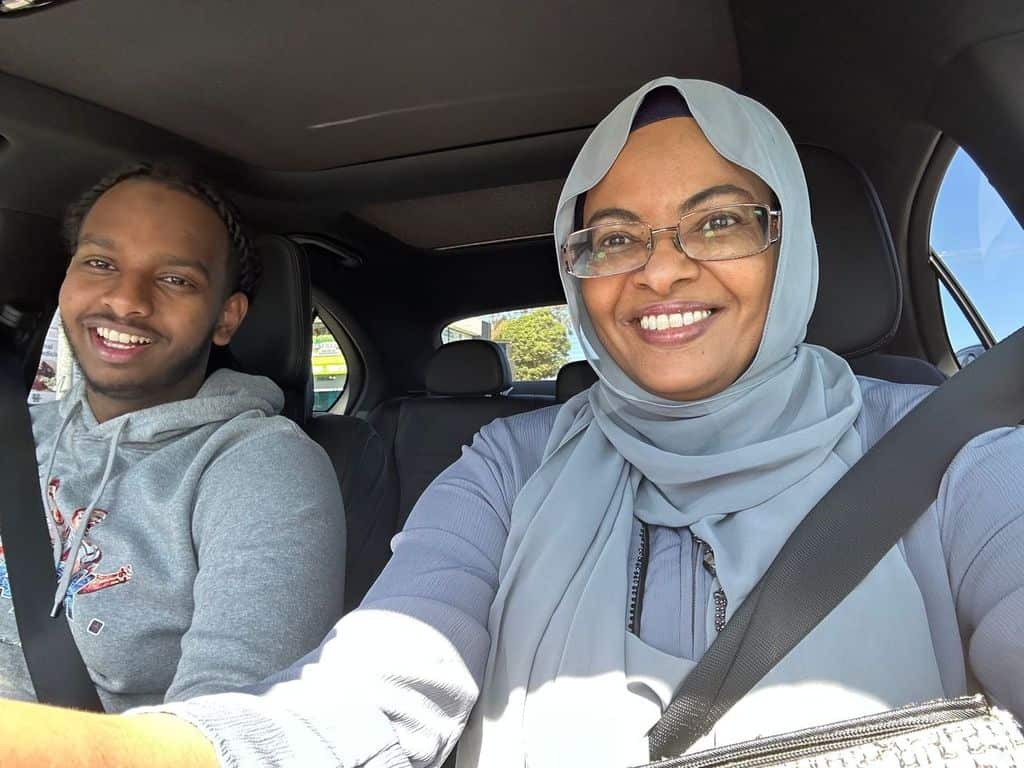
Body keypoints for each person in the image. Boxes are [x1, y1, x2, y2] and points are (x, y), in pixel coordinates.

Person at [0, 78, 1021, 768]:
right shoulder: (508, 464)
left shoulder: (953, 460)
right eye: (612, 236)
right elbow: (372, 688)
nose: (660, 268)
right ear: (575, 271)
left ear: (790, 246)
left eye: (717, 220)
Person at [0, 164, 346, 713]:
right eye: (99, 263)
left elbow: (227, 724)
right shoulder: (20, 436)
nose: (127, 300)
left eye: (175, 279)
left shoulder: (259, 466)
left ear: (226, 319)